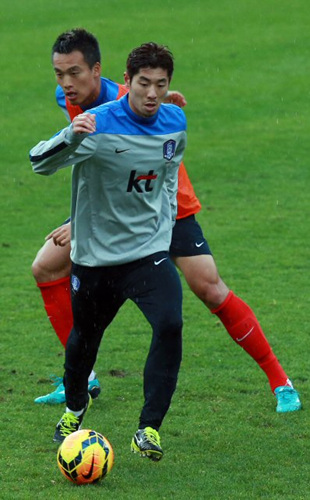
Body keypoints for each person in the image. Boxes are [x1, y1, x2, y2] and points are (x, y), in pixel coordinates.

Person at [32, 28, 301, 414]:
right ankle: (83, 379)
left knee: (209, 288)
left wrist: (161, 104)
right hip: (119, 208)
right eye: (59, 74)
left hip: (168, 203)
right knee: (44, 268)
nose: (66, 83)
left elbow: (147, 119)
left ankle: (281, 382)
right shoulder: (70, 100)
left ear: (98, 70)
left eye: (74, 73)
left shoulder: (120, 100)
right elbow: (96, 167)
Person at [30, 41, 187, 461]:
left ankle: (149, 427)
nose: (152, 94)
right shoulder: (96, 125)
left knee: (170, 322)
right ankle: (75, 405)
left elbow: (169, 173)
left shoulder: (175, 121)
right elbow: (38, 162)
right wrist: (69, 134)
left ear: (168, 85)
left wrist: (165, 223)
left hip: (147, 253)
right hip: (96, 258)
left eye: (160, 85)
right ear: (126, 82)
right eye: (143, 84)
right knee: (85, 338)